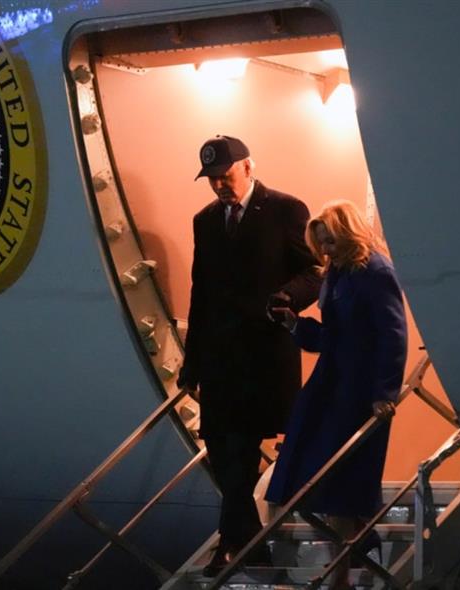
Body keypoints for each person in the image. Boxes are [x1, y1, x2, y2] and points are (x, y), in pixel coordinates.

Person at [177, 135, 321, 577]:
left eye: (226, 175)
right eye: (213, 179)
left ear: (248, 166)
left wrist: (286, 299)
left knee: (238, 450)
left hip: (265, 354)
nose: (220, 185)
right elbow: (201, 292)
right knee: (224, 450)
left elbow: (314, 269)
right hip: (221, 359)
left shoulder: (285, 209)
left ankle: (234, 544)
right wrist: (192, 364)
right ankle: (244, 543)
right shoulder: (205, 221)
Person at [265, 200, 407, 589]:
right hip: (331, 384)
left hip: (356, 391)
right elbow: (333, 336)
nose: (325, 250)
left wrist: (384, 391)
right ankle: (347, 562)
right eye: (321, 243)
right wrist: (296, 324)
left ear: (347, 233)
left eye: (329, 240)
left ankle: (341, 576)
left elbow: (393, 334)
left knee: (340, 485)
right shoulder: (339, 274)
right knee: (315, 478)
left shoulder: (375, 271)